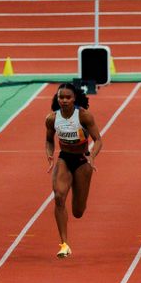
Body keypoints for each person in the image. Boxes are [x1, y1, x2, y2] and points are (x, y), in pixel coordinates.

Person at [45, 80, 102, 259]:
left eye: (68, 97)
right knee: (59, 196)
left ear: (74, 98)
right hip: (64, 158)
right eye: (61, 97)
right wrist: (49, 155)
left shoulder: (84, 116)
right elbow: (48, 140)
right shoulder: (52, 118)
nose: (64, 100)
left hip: (82, 160)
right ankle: (64, 244)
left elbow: (98, 139)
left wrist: (92, 155)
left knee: (78, 211)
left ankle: (78, 206)